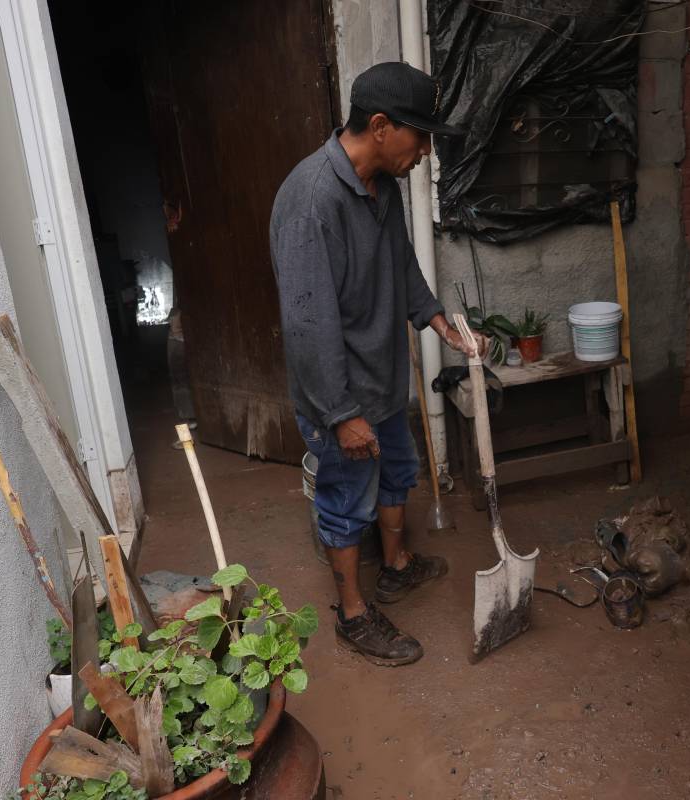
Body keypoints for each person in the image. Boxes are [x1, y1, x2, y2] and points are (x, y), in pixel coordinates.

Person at [270, 62, 484, 667]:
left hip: (383, 377)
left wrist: (441, 322)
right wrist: (340, 415)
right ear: (383, 127)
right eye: (421, 137)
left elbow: (403, 268)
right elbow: (308, 327)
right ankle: (354, 614)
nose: (426, 151)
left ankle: (393, 567)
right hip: (340, 395)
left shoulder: (381, 188)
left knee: (398, 471)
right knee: (346, 498)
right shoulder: (312, 200)